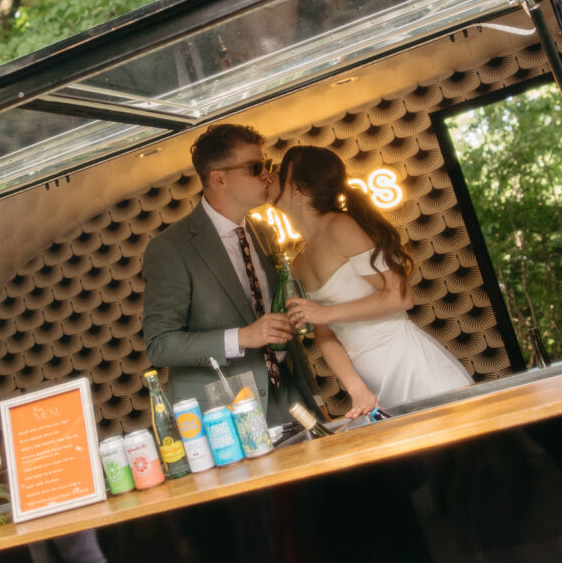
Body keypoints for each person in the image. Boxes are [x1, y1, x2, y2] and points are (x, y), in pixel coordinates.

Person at [142, 123, 319, 426]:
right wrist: (243, 337)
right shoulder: (171, 248)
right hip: (226, 414)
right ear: (219, 178)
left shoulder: (262, 232)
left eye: (267, 165)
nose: (267, 174)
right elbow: (159, 345)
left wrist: (312, 397)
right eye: (255, 167)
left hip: (289, 399)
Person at [276, 144, 471, 417]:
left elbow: (400, 297)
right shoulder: (298, 260)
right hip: (375, 383)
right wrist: (357, 388)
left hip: (411, 368)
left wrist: (326, 312)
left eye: (277, 172)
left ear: (299, 188)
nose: (269, 178)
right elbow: (325, 334)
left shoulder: (340, 226)